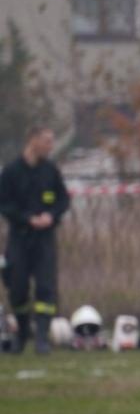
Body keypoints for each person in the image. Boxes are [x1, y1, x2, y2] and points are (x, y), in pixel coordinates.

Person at [0, 125, 70, 354]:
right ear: (32, 140)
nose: (50, 146)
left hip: (44, 239)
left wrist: (52, 215)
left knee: (45, 288)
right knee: (17, 287)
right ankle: (21, 332)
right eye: (46, 141)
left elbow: (63, 200)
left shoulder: (50, 171)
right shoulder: (11, 172)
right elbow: (4, 204)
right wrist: (26, 219)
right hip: (20, 238)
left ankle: (42, 337)